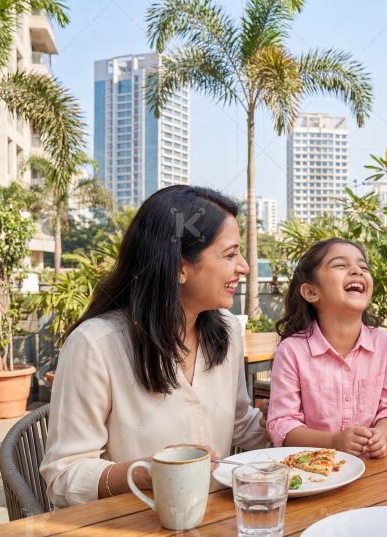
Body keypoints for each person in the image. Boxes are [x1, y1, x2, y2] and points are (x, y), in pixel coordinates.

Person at [40, 186, 267, 507]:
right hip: (134, 522)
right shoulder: (95, 345)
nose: (243, 266)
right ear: (178, 266)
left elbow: (241, 425)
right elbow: (64, 476)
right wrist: (147, 472)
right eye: (230, 254)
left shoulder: (226, 330)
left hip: (216, 517)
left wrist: (302, 424)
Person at [266, 239, 387, 458]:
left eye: (363, 267)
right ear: (311, 292)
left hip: (373, 471)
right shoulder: (292, 351)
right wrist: (333, 442)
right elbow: (282, 424)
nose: (357, 271)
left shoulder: (384, 344)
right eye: (340, 265)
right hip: (314, 472)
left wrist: (381, 434)